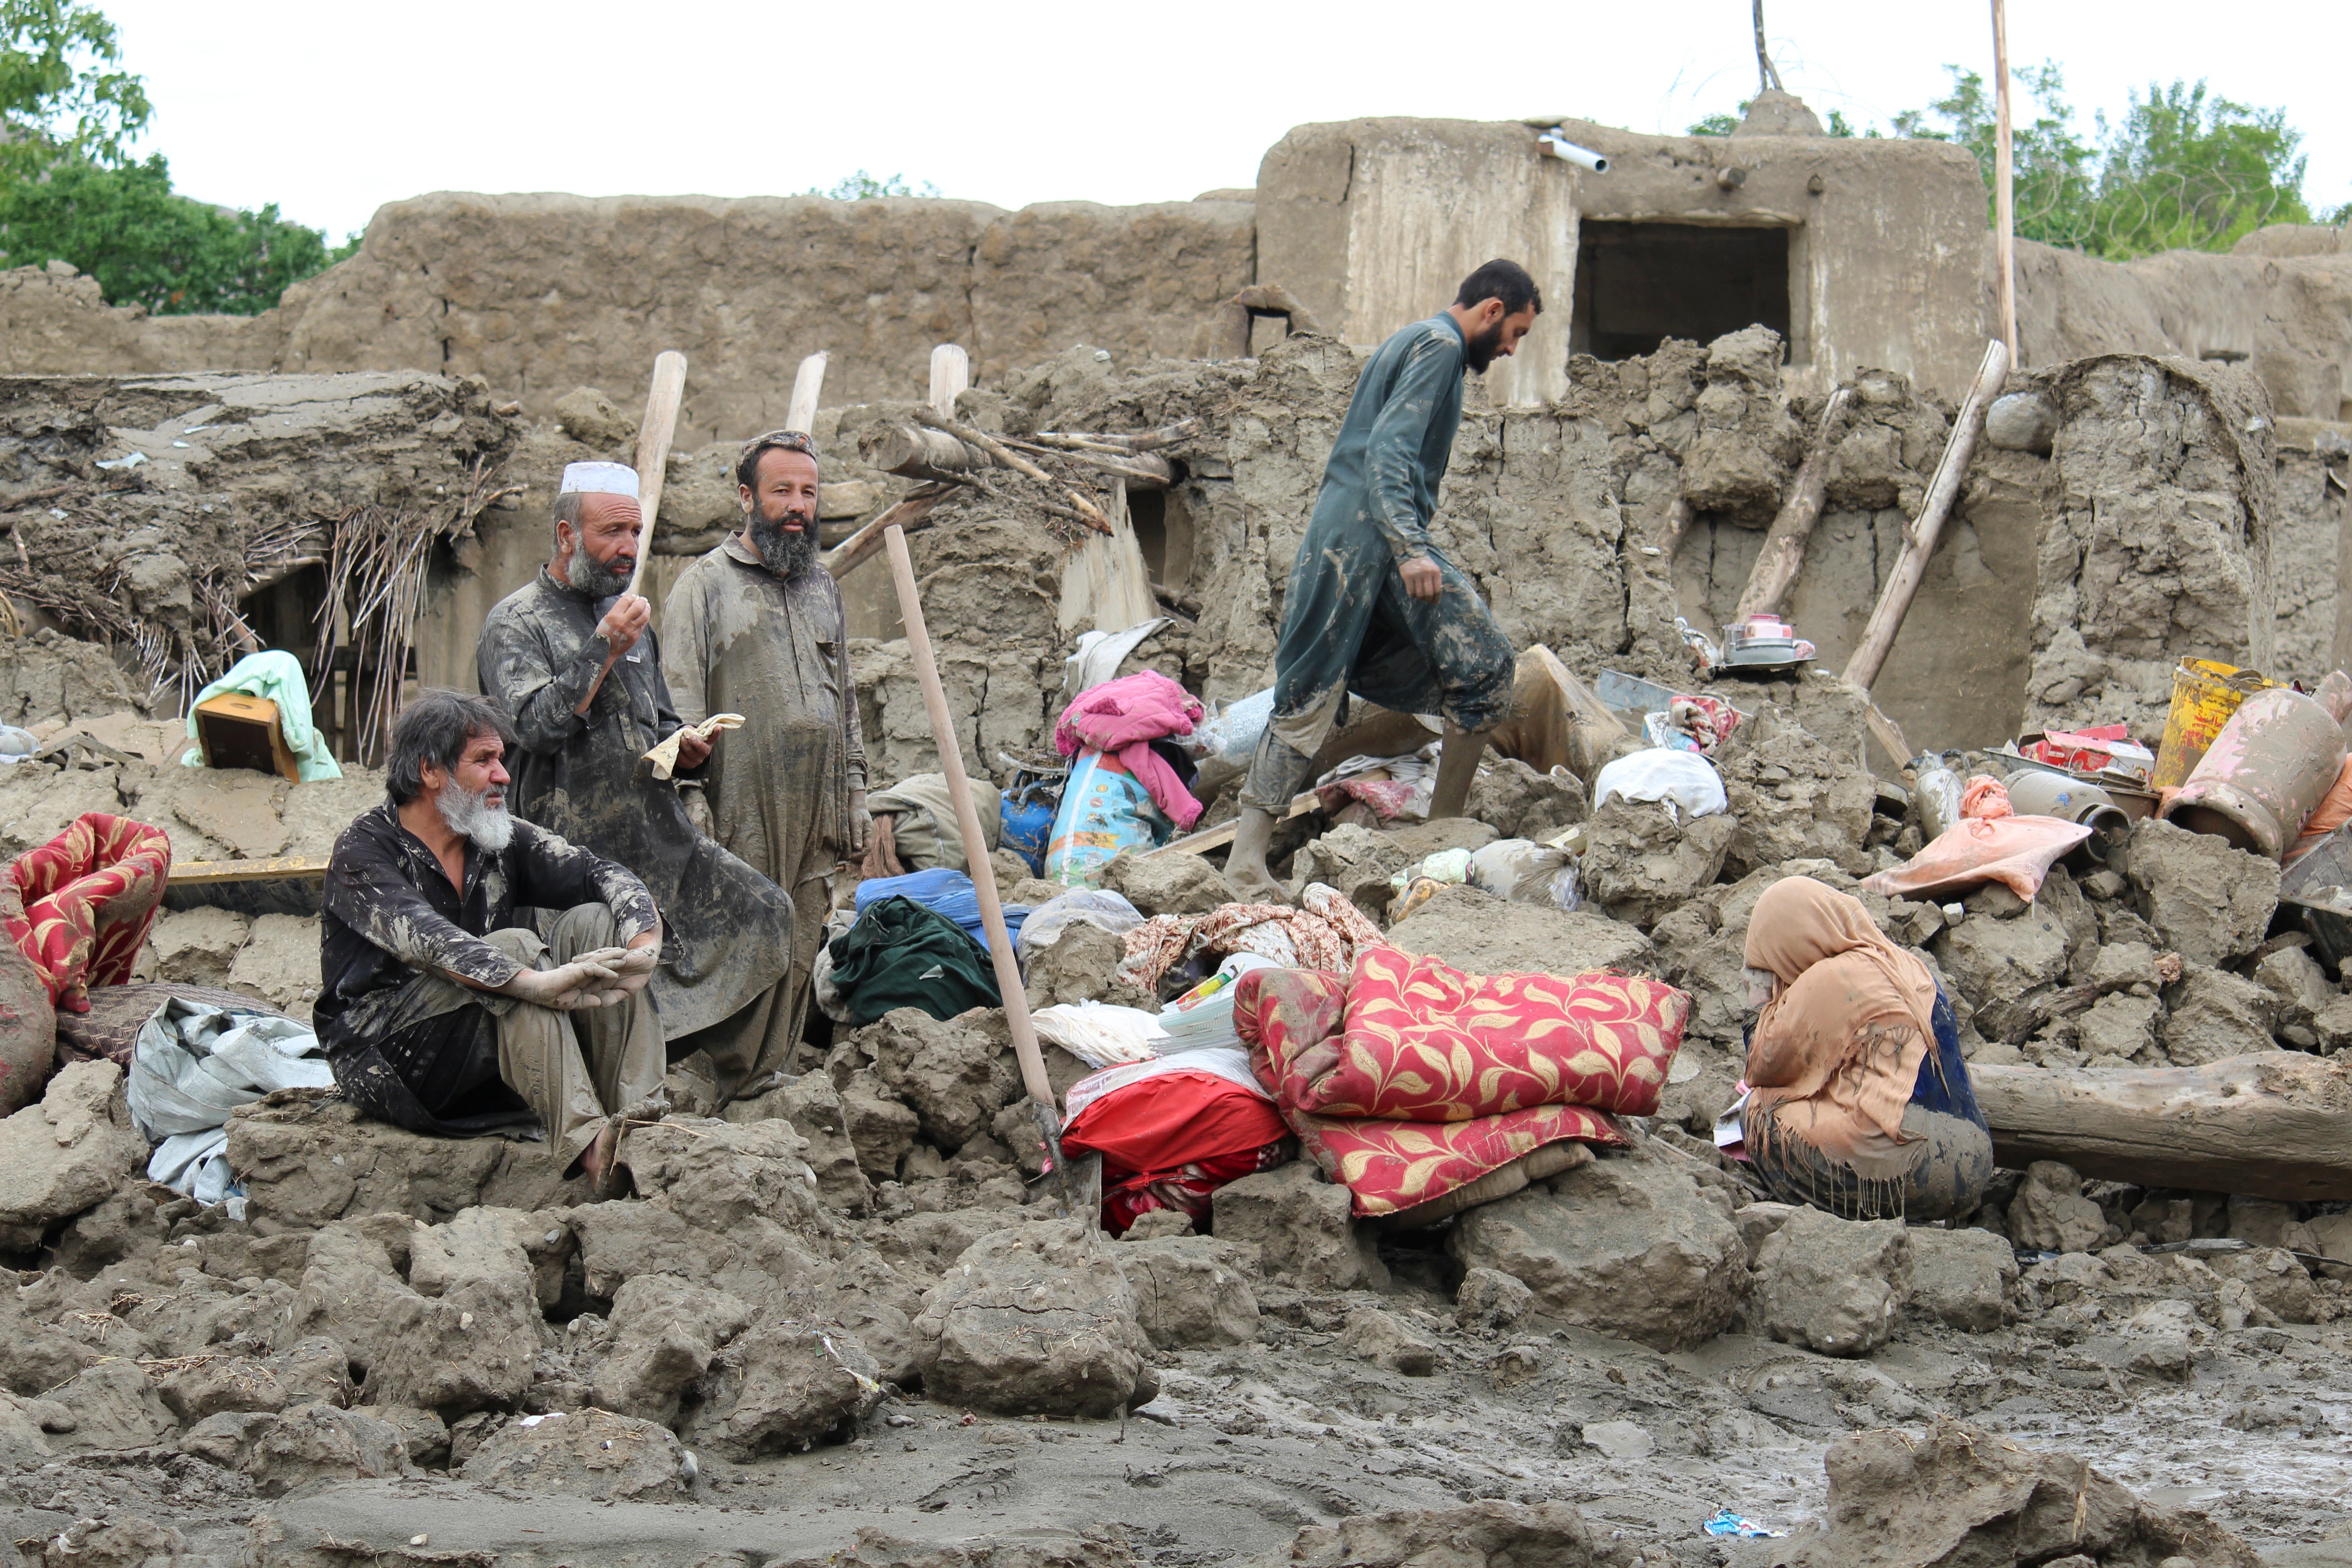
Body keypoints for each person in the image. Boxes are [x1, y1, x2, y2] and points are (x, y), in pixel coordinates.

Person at [476, 461, 796, 1098]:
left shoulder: (629, 619)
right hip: (570, 854)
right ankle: (639, 1088)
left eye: (635, 532)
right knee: (610, 970)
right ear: (567, 535)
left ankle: (727, 1078)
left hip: (657, 836)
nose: (628, 548)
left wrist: (687, 746)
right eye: (612, 533)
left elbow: (660, 720)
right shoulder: (517, 623)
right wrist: (602, 648)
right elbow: (533, 729)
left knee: (767, 912)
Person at [1225, 260, 1540, 898]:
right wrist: (1410, 548)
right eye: (1517, 333)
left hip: (1362, 539)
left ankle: (1437, 830)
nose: (1510, 349)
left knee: (1473, 671)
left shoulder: (1420, 342)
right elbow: (1389, 453)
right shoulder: (1439, 346)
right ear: (1492, 311)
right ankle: (1245, 864)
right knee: (1315, 694)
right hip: (1362, 541)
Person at [316, 690, 664, 1188]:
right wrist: (532, 982)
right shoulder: (365, 850)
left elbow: (600, 872)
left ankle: (638, 1125)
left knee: (598, 923)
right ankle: (593, 1153)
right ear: (429, 771)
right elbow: (428, 940)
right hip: (393, 1060)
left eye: (502, 759)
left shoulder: (493, 837)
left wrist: (643, 945)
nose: (503, 774)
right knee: (514, 949)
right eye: (484, 760)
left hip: (488, 1050)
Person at [661, 431, 869, 1070]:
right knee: (744, 935)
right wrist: (691, 799)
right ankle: (723, 1079)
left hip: (818, 804)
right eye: (782, 491)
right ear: (748, 497)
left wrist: (857, 790)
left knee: (803, 931)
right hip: (740, 802)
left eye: (809, 492)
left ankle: (775, 1073)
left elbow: (847, 700)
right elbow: (674, 707)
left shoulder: (822, 588)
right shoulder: (702, 587)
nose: (798, 505)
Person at [1733, 876, 1993, 1220]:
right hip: (1973, 1157)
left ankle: (1833, 1218)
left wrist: (1767, 1008)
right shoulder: (1909, 966)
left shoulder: (1829, 978)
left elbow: (1764, 1066)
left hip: (1906, 1166)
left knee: (1757, 1110)